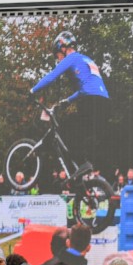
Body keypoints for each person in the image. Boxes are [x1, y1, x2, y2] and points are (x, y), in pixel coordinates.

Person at [30, 31, 110, 173]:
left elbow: (51, 77)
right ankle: (81, 178)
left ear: (63, 47)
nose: (58, 59)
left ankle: (83, 165)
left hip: (90, 102)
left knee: (65, 132)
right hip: (104, 103)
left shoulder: (71, 58)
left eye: (57, 55)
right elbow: (87, 88)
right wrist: (67, 101)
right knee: (82, 136)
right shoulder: (87, 60)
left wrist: (32, 91)